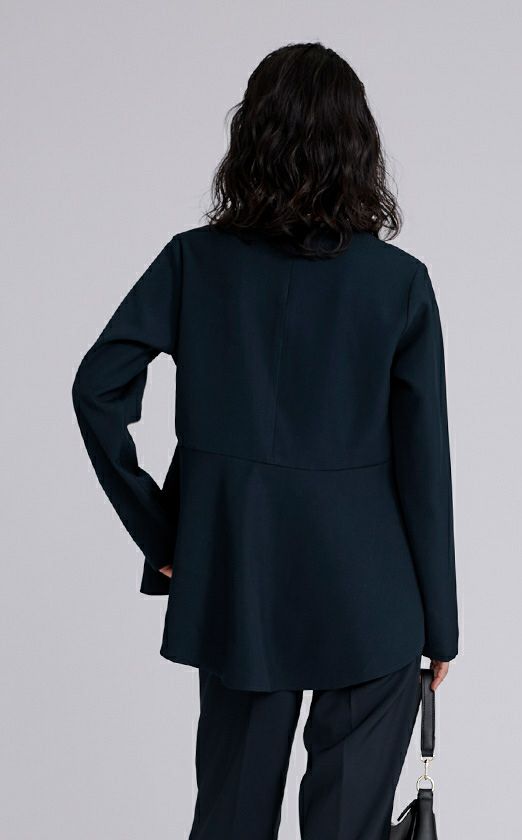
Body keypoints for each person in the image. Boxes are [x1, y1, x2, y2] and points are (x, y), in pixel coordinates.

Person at [71, 41, 459, 840]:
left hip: (239, 581)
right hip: (371, 597)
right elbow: (424, 466)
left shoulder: (194, 263)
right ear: (359, 145)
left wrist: (165, 534)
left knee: (230, 821)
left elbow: (97, 388)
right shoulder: (398, 284)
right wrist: (440, 624)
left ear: (250, 135)